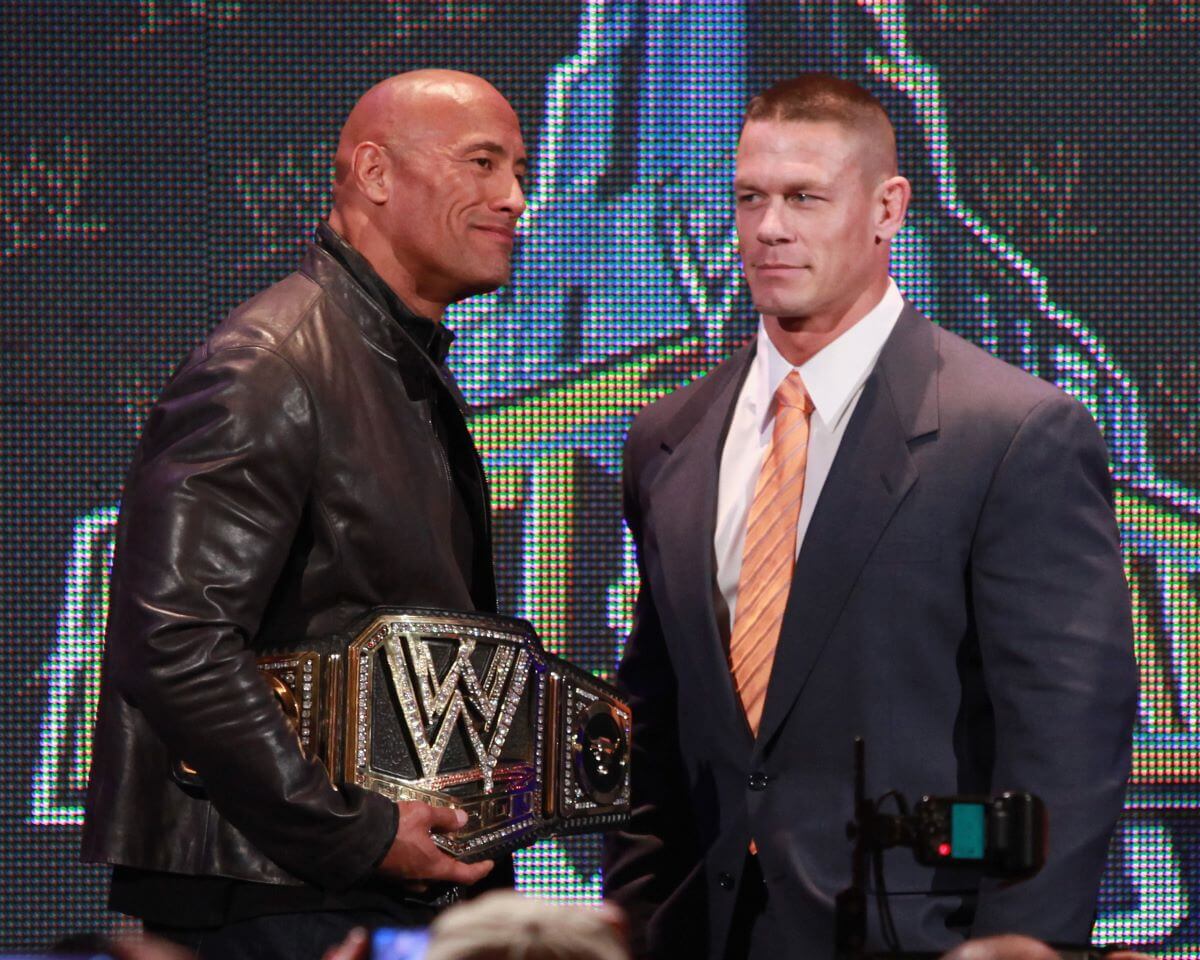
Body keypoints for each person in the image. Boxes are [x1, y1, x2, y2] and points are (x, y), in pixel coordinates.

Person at [602, 73, 1136, 959]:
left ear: (888, 210)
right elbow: (656, 715)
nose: (770, 228)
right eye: (750, 198)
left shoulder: (1012, 433)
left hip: (923, 934)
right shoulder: (671, 437)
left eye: (805, 198)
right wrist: (635, 914)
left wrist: (1023, 944)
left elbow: (1065, 737)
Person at [82, 69, 527, 959]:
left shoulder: (387, 364)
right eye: (483, 163)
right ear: (373, 173)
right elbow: (170, 641)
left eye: (519, 170)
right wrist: (355, 832)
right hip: (280, 897)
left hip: (337, 883)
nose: (514, 198)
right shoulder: (270, 366)